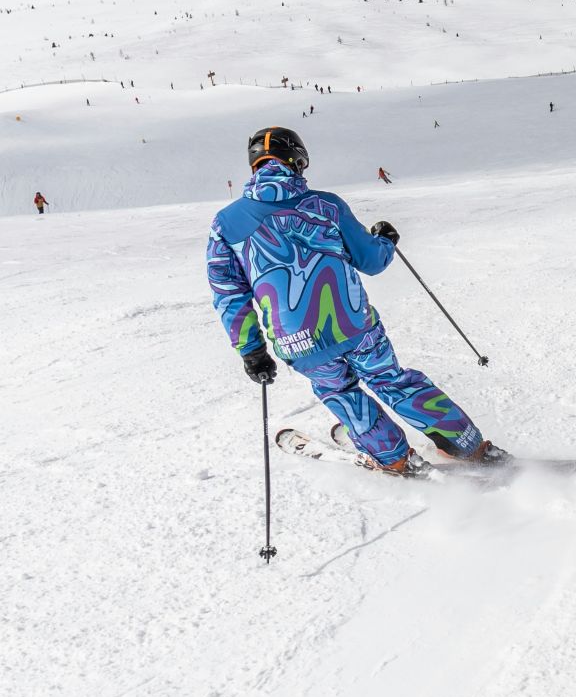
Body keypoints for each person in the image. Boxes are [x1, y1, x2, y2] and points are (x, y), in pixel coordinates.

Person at [206, 127, 507, 476]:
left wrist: (251, 350)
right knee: (393, 381)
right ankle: (468, 446)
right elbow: (371, 261)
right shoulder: (325, 205)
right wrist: (386, 241)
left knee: (341, 392)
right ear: (297, 160)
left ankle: (393, 457)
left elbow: (228, 292)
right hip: (354, 324)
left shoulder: (226, 223)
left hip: (296, 340)